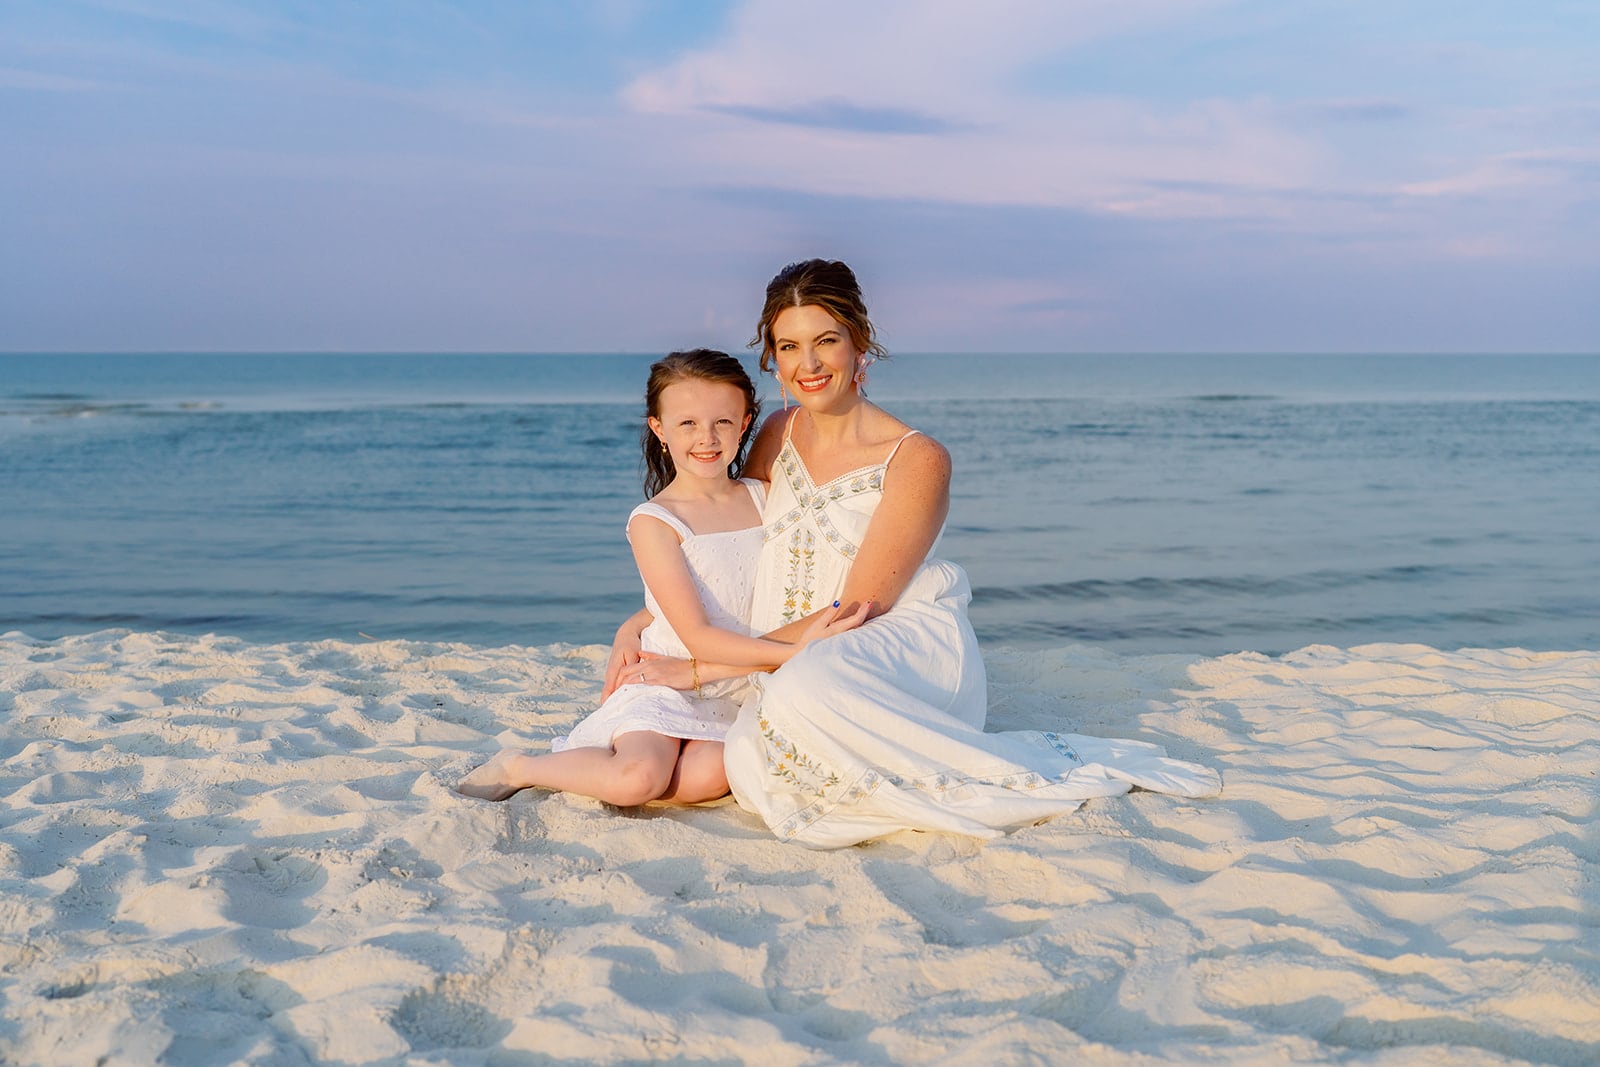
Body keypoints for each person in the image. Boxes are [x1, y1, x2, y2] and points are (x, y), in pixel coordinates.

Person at [605, 261, 1221, 847]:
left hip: (887, 636)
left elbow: (860, 606)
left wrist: (696, 669)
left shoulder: (917, 458)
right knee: (749, 746)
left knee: (801, 692)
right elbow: (724, 544)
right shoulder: (775, 434)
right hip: (783, 645)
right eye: (789, 347)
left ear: (859, 346)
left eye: (826, 340)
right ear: (771, 358)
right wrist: (641, 621)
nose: (809, 364)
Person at [456, 349, 866, 806]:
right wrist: (793, 650)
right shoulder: (656, 521)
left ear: (746, 422)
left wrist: (635, 620)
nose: (706, 438)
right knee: (640, 778)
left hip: (737, 686)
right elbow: (697, 634)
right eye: (687, 423)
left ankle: (603, 769)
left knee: (711, 776)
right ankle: (521, 766)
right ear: (659, 428)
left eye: (722, 423)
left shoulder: (764, 498)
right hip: (666, 678)